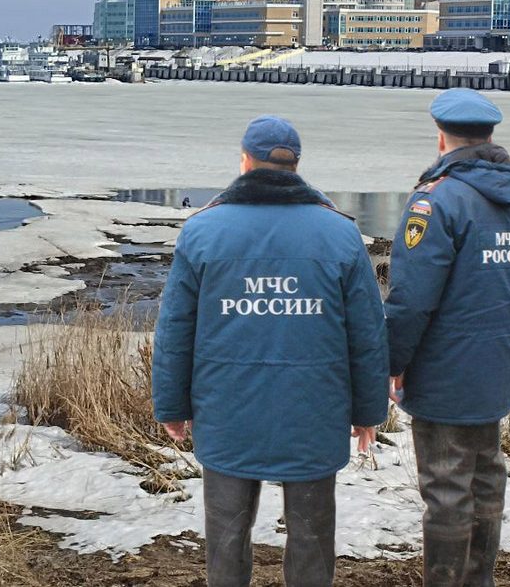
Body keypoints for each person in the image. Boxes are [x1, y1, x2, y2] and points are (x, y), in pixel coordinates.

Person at [153, 115, 389, 587]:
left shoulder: (203, 230)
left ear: (245, 161)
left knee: (226, 531)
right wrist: (368, 410)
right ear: (297, 166)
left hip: (227, 409)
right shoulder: (340, 232)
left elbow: (176, 328)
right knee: (312, 533)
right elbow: (367, 332)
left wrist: (171, 404)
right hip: (314, 410)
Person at [386, 88, 510, 587]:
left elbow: (412, 299)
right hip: (495, 361)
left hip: (444, 369)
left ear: (442, 138)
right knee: (485, 478)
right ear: (489, 137)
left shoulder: (437, 202)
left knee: (448, 484)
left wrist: (391, 359)